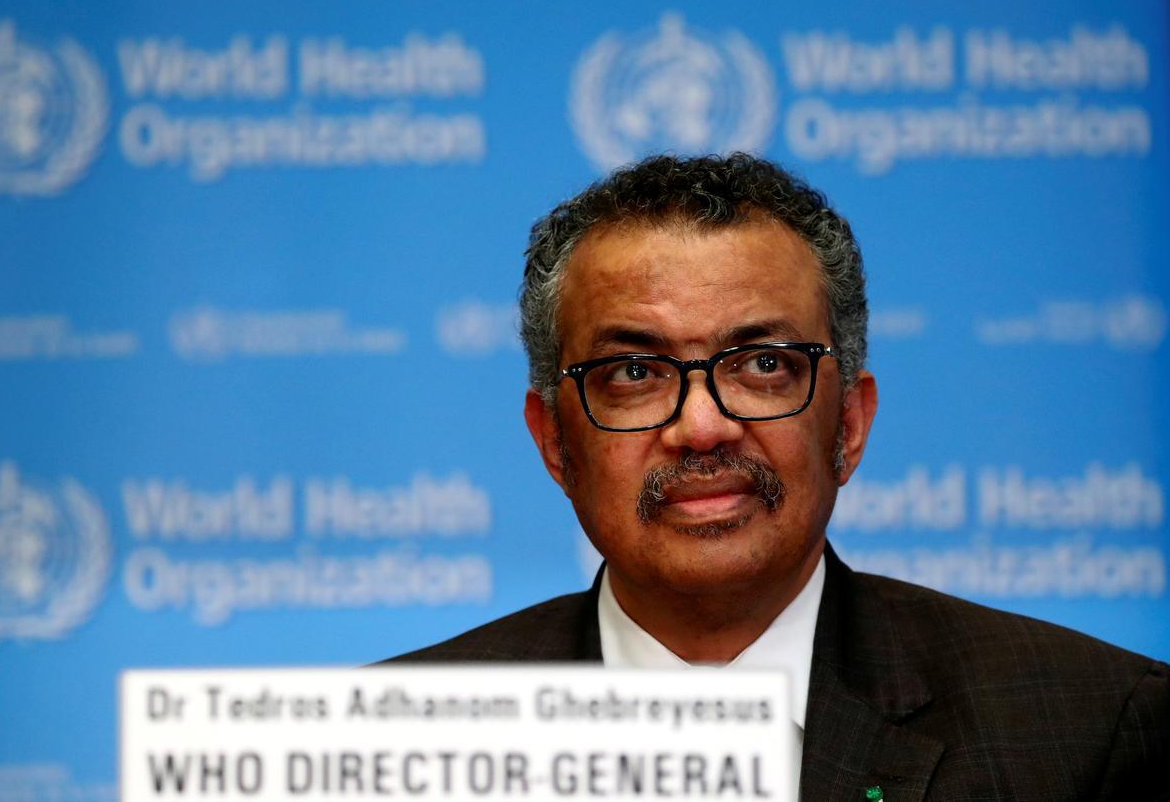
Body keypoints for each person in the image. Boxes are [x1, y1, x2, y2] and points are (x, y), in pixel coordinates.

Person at [390, 154, 1169, 799]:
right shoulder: (399, 747)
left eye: (763, 364)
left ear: (849, 424)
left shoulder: (1092, 731)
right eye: (633, 371)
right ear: (554, 441)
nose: (701, 427)